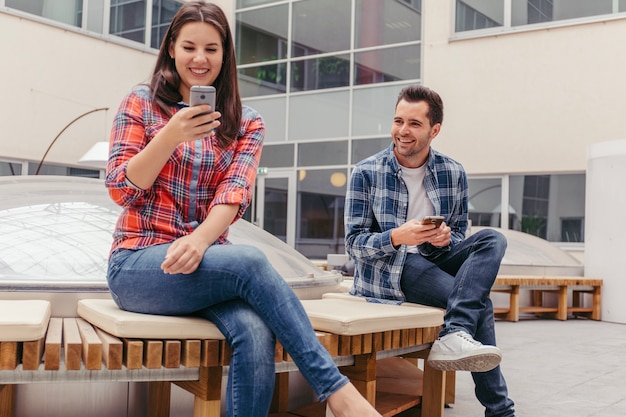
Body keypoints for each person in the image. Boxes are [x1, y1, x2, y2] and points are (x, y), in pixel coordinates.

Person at [104, 2, 381, 417]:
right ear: (171, 50)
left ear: (225, 54)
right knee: (250, 260)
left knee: (254, 331)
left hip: (204, 265)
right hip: (139, 265)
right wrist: (169, 137)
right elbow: (120, 188)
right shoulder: (140, 103)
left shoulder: (246, 122)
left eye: (211, 49)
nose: (200, 59)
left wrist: (199, 242)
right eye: (189, 47)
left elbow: (231, 198)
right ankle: (337, 393)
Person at [344, 84, 516, 417]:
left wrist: (444, 239)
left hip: (435, 258)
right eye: (398, 121)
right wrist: (397, 236)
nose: (402, 131)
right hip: (391, 269)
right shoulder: (366, 172)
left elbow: (461, 234)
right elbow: (354, 245)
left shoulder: (453, 172)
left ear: (434, 130)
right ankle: (500, 410)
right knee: (480, 306)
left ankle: (455, 331)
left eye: (414, 124)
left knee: (493, 239)